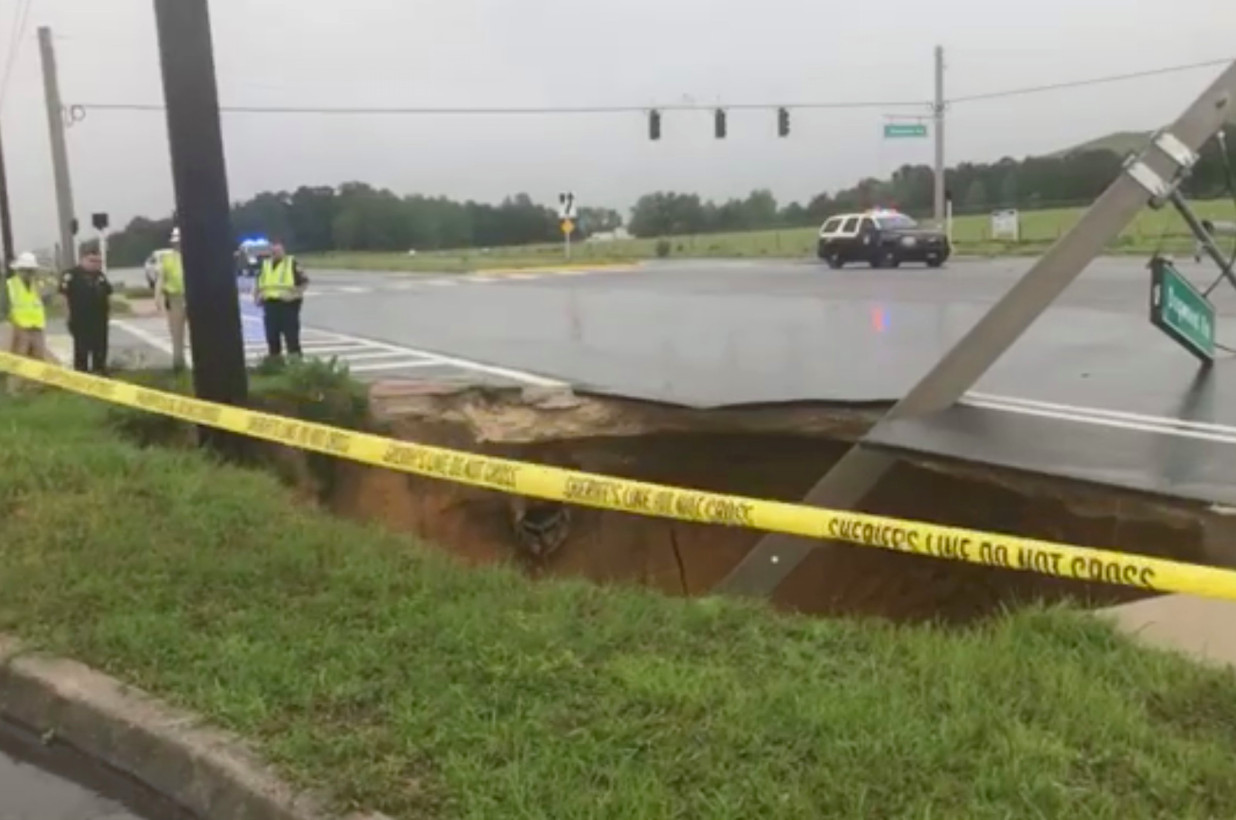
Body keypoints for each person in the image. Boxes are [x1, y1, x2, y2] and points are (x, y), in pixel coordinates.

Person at [1, 253, 53, 387]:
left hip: (37, 325)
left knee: (38, 356)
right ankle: (15, 387)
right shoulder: (10, 285)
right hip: (20, 325)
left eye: (31, 270)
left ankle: (36, 386)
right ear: (18, 270)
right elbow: (4, 305)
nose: (28, 273)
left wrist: (48, 289)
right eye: (25, 270)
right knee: (19, 357)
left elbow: (46, 300)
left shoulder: (38, 284)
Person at [59, 249, 113, 373]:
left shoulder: (100, 276)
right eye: (92, 260)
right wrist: (67, 315)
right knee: (82, 346)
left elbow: (108, 294)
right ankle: (81, 371)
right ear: (82, 259)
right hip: (80, 317)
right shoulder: (71, 275)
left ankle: (99, 369)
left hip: (99, 317)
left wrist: (109, 314)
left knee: (100, 345)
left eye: (98, 261)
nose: (95, 264)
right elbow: (63, 296)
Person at [254, 240, 308, 359]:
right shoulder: (266, 265)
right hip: (270, 305)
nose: (275, 253)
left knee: (291, 338)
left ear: (283, 251)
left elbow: (304, 282)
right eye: (273, 251)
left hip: (287, 305)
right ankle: (275, 364)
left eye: (278, 251)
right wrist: (256, 297)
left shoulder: (291, 263)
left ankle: (296, 365)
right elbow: (259, 283)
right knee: (272, 338)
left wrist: (295, 295)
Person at [154, 226, 188, 370]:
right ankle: (178, 364)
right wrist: (157, 298)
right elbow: (160, 280)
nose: (178, 244)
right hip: (175, 299)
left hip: (192, 297)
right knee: (176, 333)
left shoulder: (193, 256)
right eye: (176, 242)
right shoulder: (167, 259)